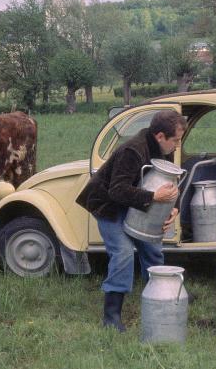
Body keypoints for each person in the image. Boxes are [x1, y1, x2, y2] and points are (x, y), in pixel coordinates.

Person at [76, 109, 187, 332]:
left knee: (152, 247)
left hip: (133, 203)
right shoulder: (133, 150)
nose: (177, 146)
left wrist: (173, 209)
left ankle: (160, 295)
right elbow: (117, 191)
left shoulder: (163, 149)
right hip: (108, 205)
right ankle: (111, 316)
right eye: (175, 140)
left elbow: (170, 182)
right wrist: (153, 197)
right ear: (160, 136)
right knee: (123, 253)